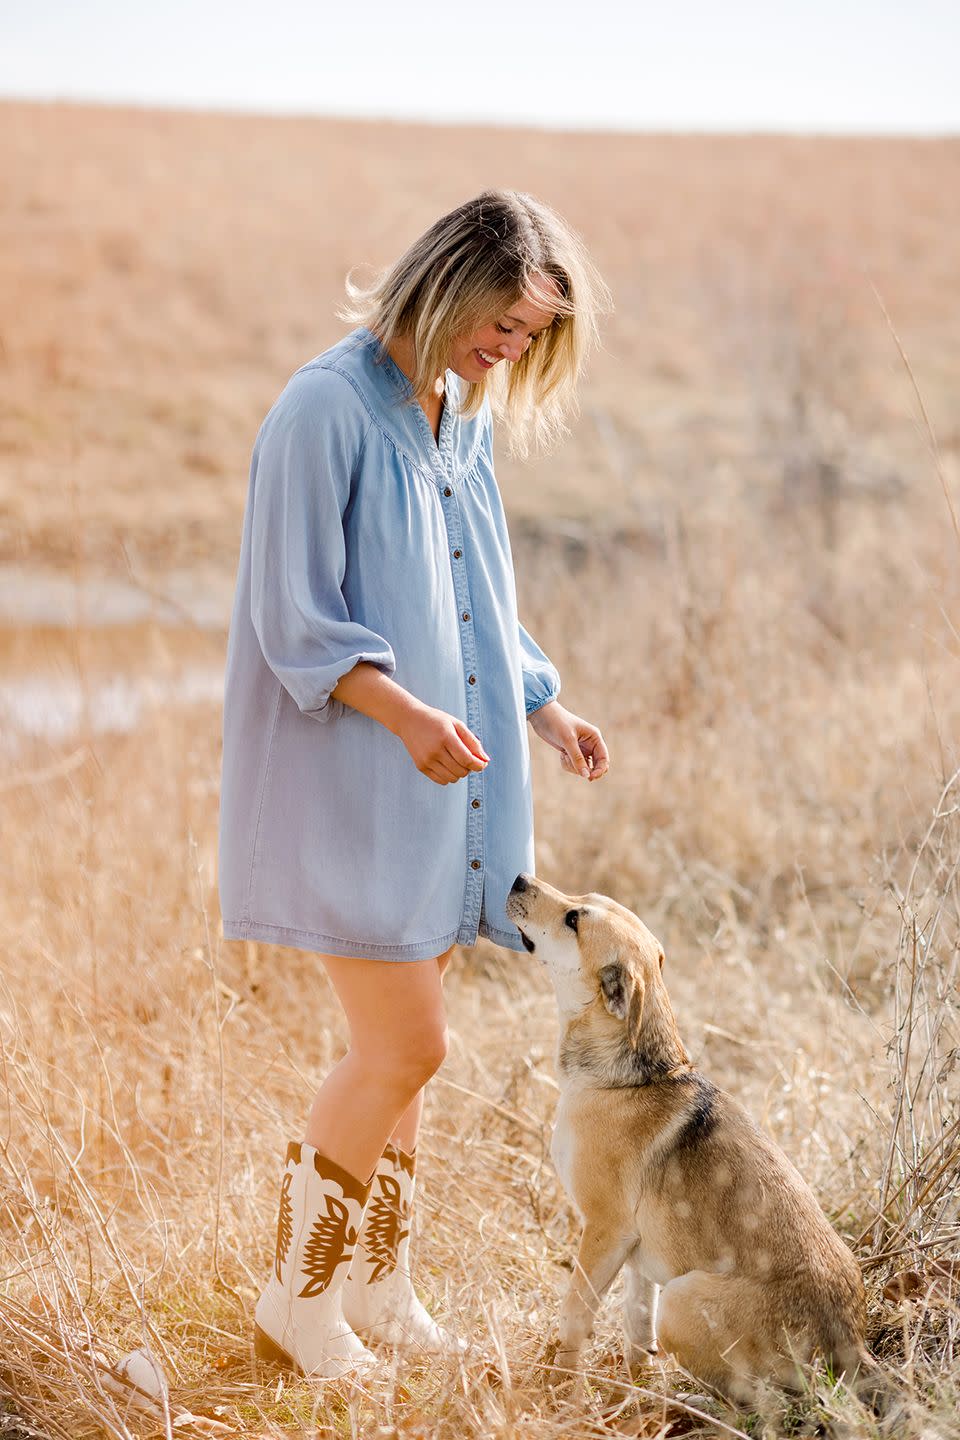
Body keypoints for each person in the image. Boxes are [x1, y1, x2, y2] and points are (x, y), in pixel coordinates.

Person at [216, 188, 612, 1380]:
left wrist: (542, 706)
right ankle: (298, 1310)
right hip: (356, 778)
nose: (511, 352)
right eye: (503, 325)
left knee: (411, 1048)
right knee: (405, 1050)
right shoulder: (322, 409)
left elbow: (478, 594)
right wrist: (404, 713)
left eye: (531, 338)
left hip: (449, 782)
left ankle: (381, 1289)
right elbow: (295, 620)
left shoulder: (461, 415)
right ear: (446, 283)